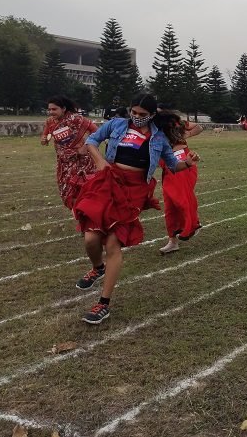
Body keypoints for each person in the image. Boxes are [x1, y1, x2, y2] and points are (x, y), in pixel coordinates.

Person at [72, 93, 199, 324]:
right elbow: (92, 141)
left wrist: (187, 163)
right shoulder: (117, 125)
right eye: (134, 112)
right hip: (107, 182)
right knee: (91, 238)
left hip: (134, 191)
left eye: (143, 114)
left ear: (151, 115)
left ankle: (103, 304)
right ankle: (97, 267)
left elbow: (173, 165)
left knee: (112, 242)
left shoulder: (159, 138)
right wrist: (100, 161)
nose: (137, 117)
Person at [156, 112, 203, 254]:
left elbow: (199, 127)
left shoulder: (176, 122)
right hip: (167, 164)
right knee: (170, 205)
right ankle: (173, 241)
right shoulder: (152, 127)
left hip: (181, 160)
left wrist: (185, 136)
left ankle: (192, 224)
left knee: (181, 199)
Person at [40, 96, 98, 208]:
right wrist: (43, 139)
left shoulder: (77, 119)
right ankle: (79, 212)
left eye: (54, 109)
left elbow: (96, 131)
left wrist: (86, 146)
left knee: (82, 190)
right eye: (49, 109)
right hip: (64, 163)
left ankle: (85, 214)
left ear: (64, 108)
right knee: (66, 192)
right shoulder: (50, 122)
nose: (51, 112)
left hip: (81, 162)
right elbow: (45, 137)